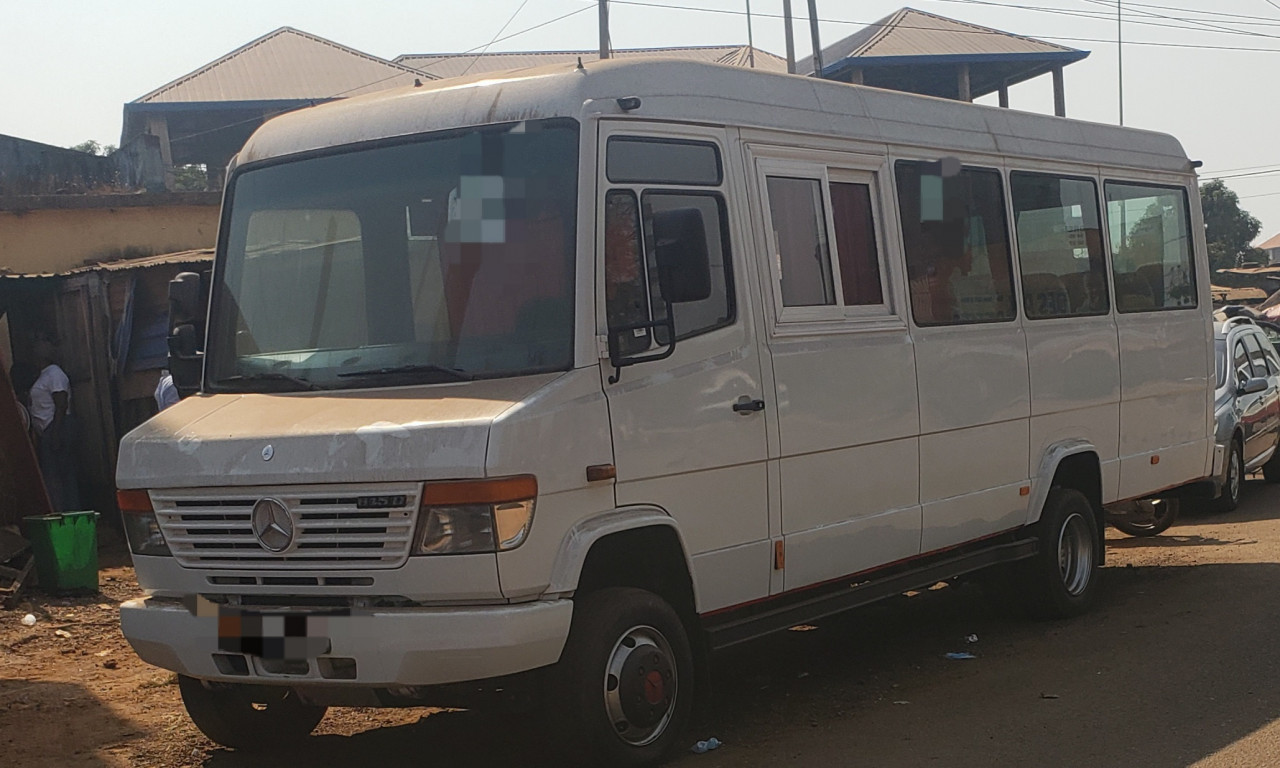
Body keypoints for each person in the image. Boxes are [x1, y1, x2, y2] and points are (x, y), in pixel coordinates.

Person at [29, 333, 80, 512]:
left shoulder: (54, 373)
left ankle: (65, 514)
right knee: (58, 476)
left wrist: (56, 433)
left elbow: (61, 403)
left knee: (57, 477)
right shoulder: (45, 375)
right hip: (50, 430)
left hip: (57, 428)